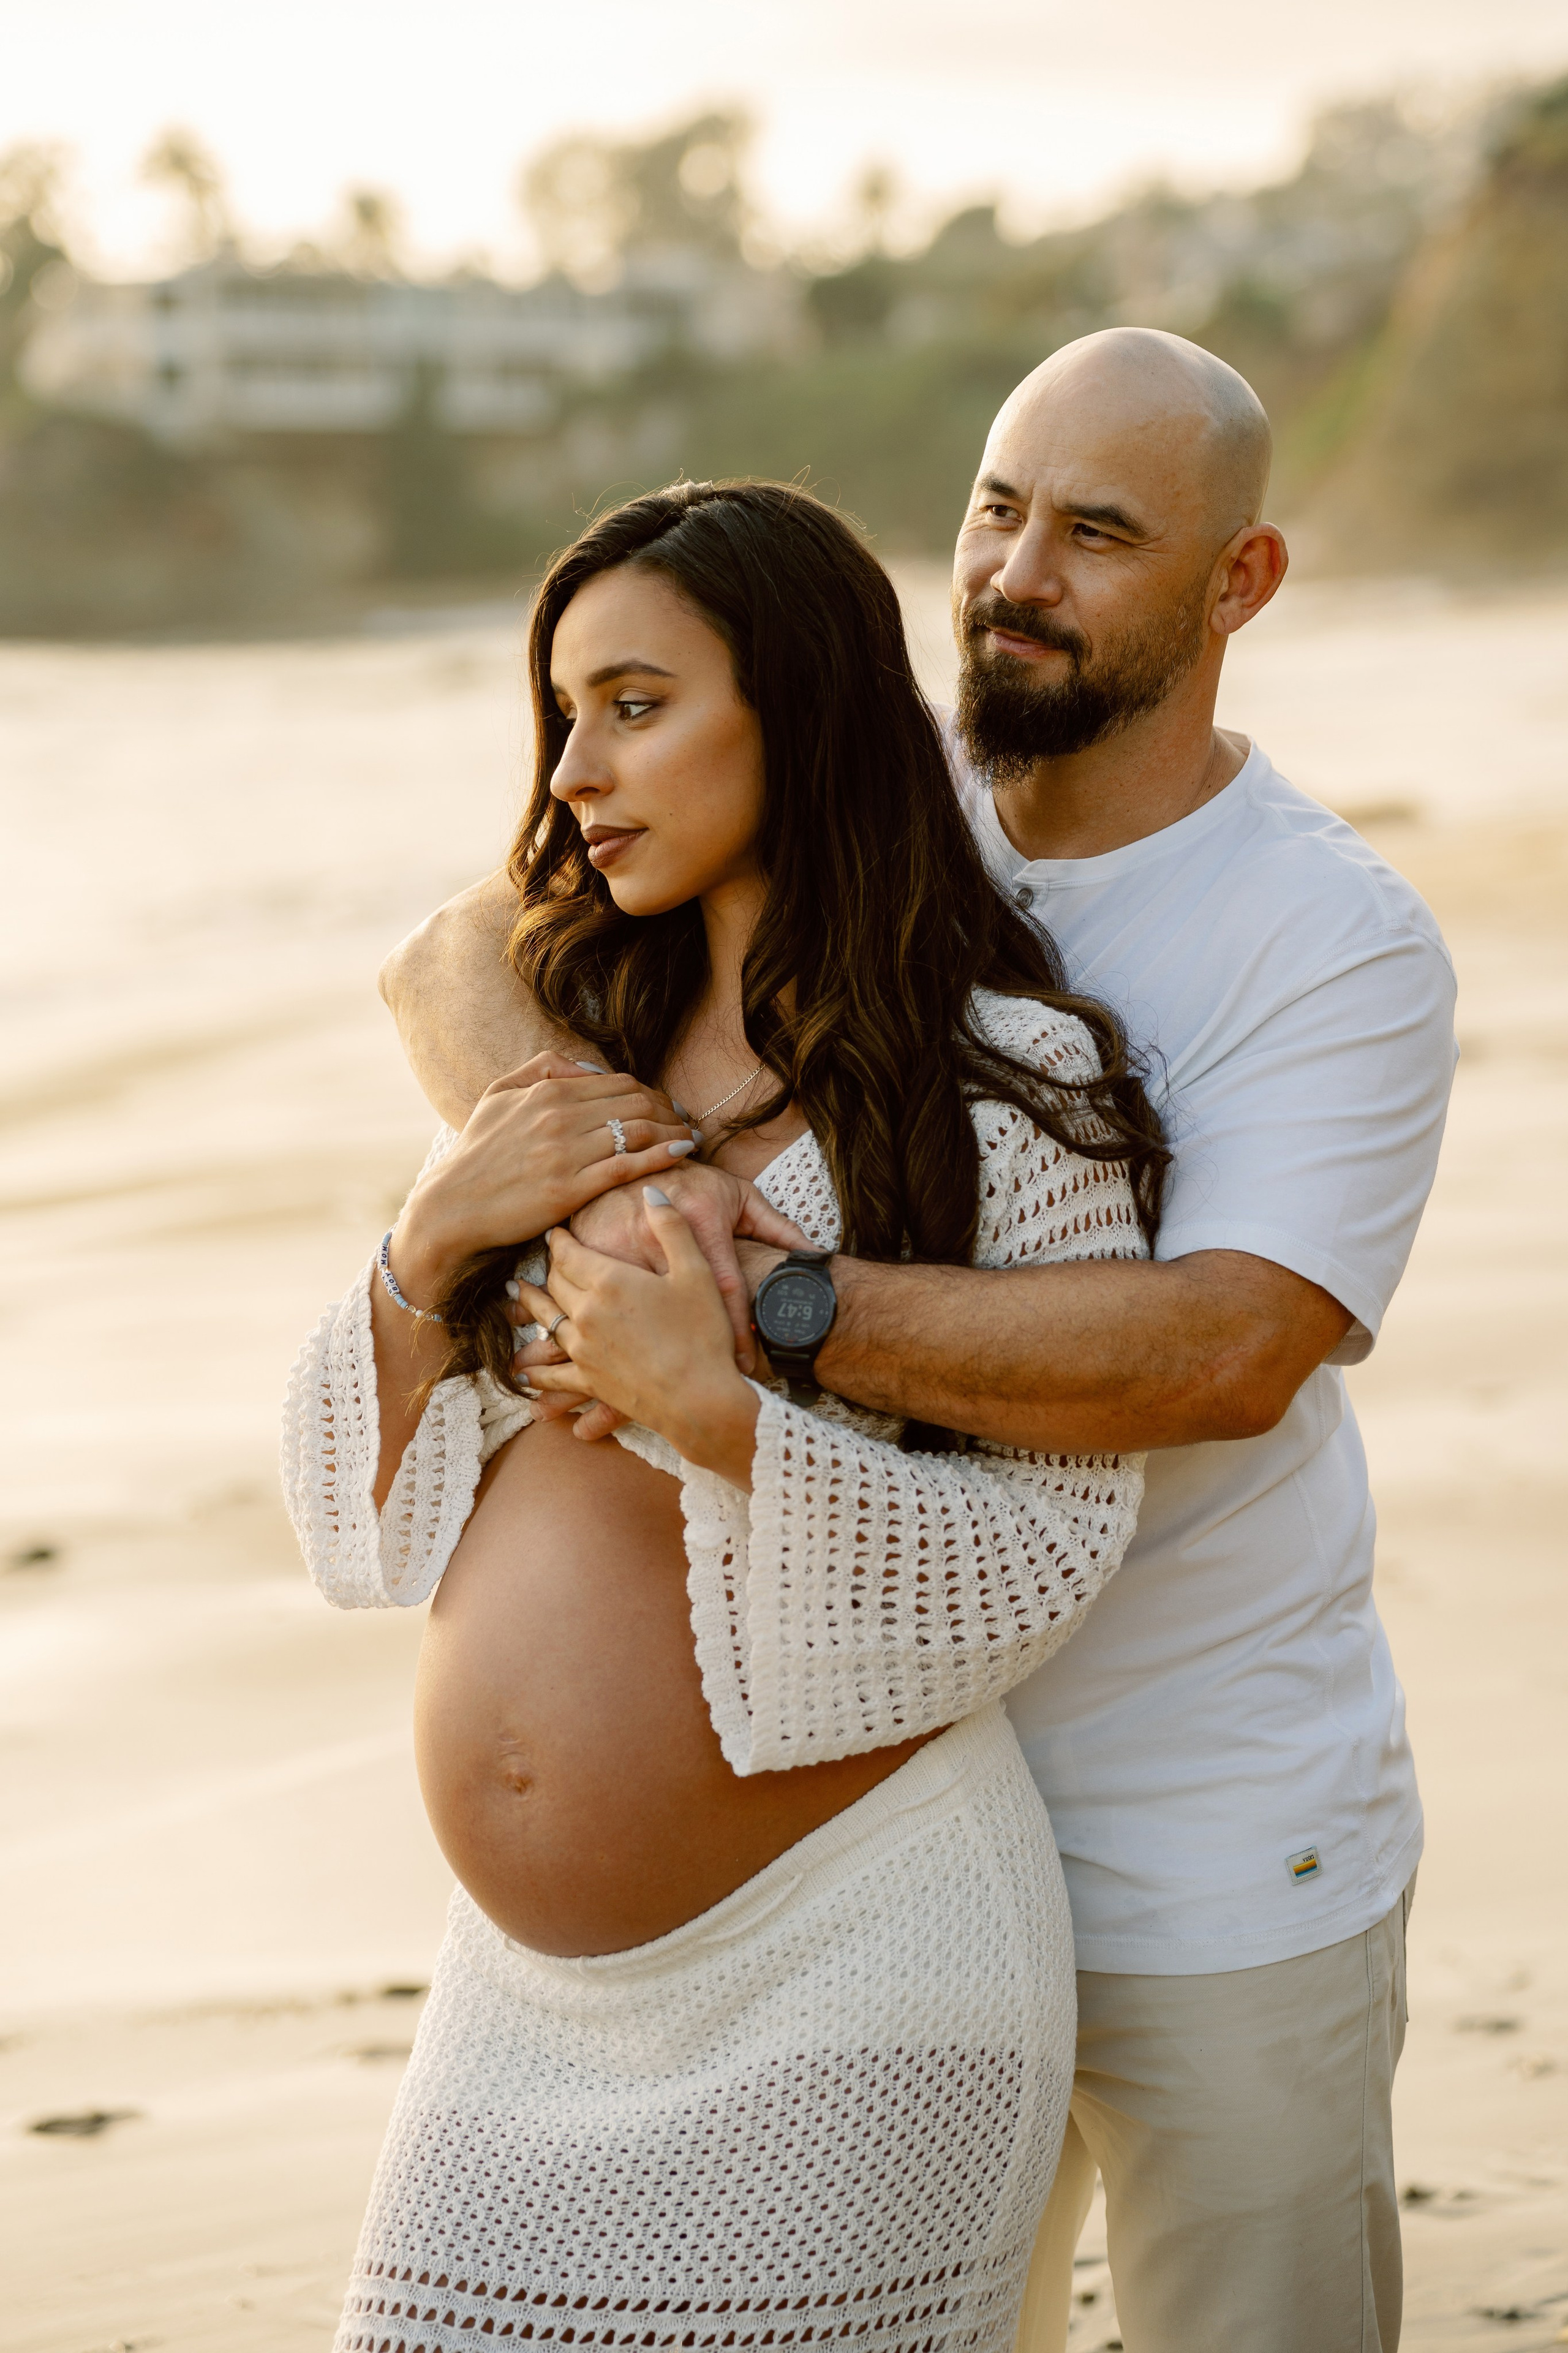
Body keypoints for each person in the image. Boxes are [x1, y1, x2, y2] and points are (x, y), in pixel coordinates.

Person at [384, 331, 1458, 2352]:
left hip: (1203, 1825)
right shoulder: (872, 811)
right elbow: (459, 964)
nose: (1015, 573)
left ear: (1239, 585)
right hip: (854, 1840)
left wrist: (761, 1301)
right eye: (995, 507)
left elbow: (1227, 1351)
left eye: (1100, 532)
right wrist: (621, 1186)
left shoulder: (1330, 936)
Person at [282, 479, 1172, 2351]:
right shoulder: (564, 1060)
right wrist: (424, 1242)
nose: (574, 773)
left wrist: (727, 1415)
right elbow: (341, 1510)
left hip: (860, 1968)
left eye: (633, 703)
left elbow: (1051, 1547)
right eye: (559, 717)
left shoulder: (997, 1086)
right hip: (522, 2011)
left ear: (802, 705)